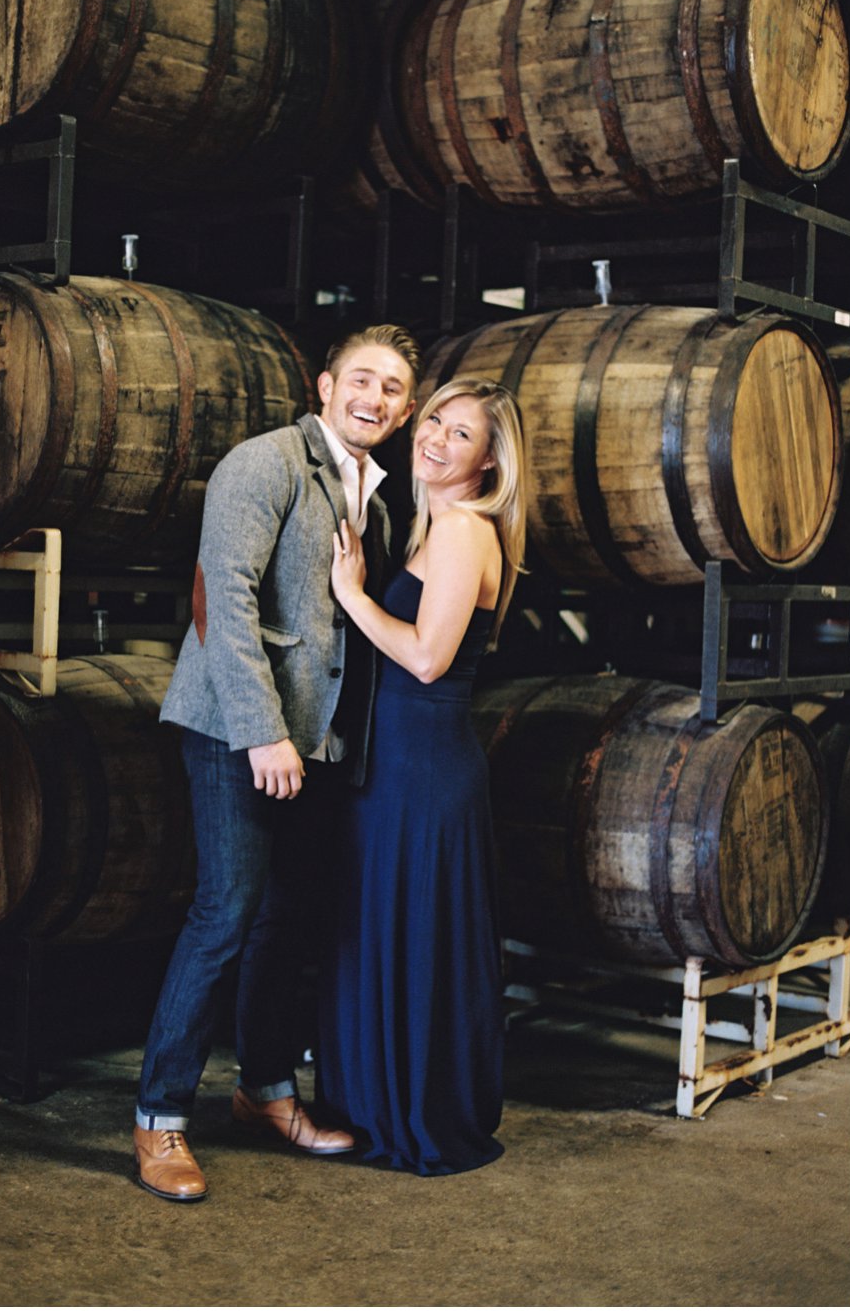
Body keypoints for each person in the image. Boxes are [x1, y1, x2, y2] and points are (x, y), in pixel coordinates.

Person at [134, 324, 423, 1203]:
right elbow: (225, 596)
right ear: (328, 384)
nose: (375, 399)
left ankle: (264, 1092)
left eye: (394, 390)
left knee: (288, 920)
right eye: (363, 380)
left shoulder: (372, 495)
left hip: (317, 744)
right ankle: (158, 1118)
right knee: (225, 912)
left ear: (404, 410)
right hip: (237, 730)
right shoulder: (264, 463)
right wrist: (264, 731)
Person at [318, 378, 527, 1176]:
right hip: (398, 758)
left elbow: (428, 657)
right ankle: (378, 1102)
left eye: (461, 434)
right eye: (434, 419)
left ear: (486, 464)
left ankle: (416, 1111)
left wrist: (350, 592)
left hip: (425, 767)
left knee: (412, 930)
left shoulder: (465, 531)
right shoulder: (428, 526)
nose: (436, 437)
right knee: (384, 926)